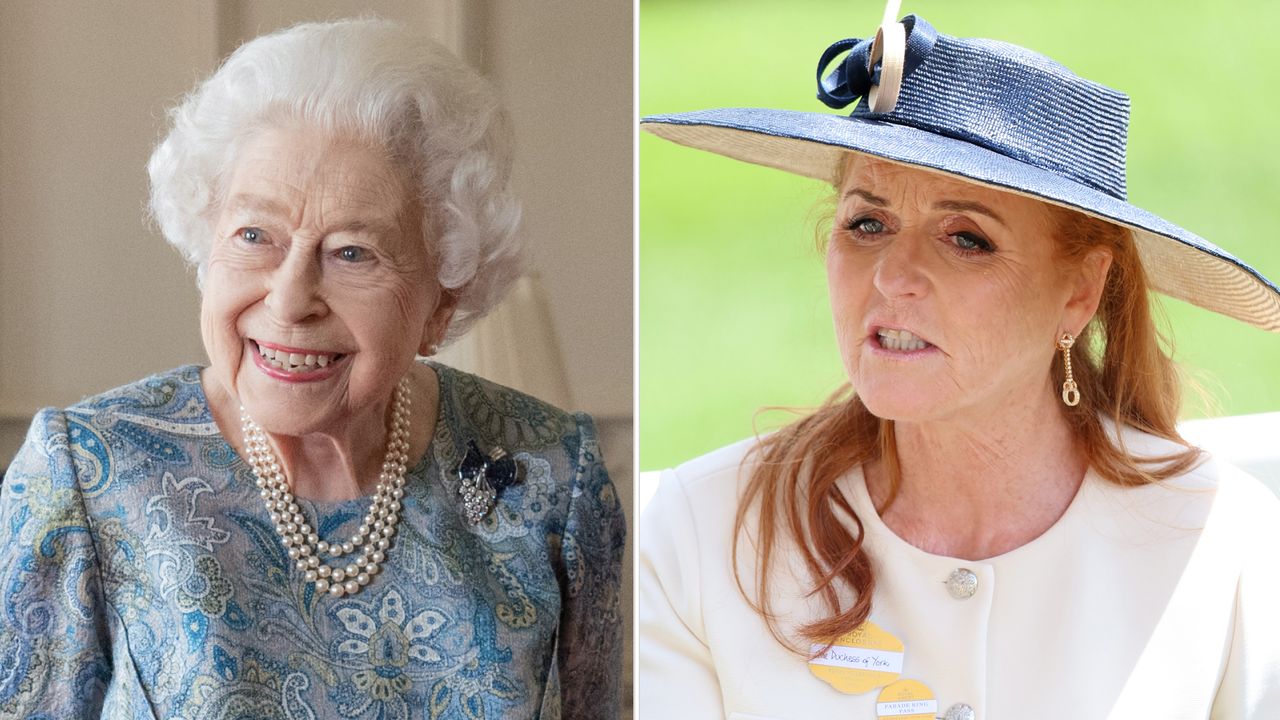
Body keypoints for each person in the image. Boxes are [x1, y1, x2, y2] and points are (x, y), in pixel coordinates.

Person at [639, 10, 1280, 720]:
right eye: (867, 224)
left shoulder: (1225, 546)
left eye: (966, 238)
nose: (892, 279)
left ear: (1079, 292)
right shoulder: (701, 534)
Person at [0, 18, 624, 719]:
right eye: (253, 236)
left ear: (441, 300)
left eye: (353, 252)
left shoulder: (551, 476)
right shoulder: (85, 476)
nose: (290, 299)